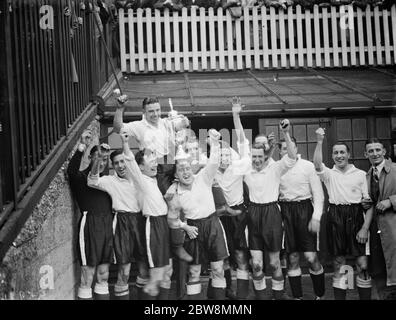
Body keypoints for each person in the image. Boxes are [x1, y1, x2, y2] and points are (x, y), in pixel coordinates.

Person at [165, 129, 230, 300]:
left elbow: (214, 162)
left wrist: (215, 143)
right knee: (194, 272)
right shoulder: (175, 193)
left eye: (187, 168)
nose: (185, 172)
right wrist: (184, 226)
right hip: (193, 229)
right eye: (181, 170)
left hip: (213, 225)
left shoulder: (203, 177)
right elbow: (171, 220)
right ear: (176, 176)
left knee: (217, 269)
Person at [313, 128, 374, 300]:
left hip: (356, 217)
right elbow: (317, 164)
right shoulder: (329, 174)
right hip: (335, 217)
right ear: (332, 156)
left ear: (348, 154)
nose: (339, 156)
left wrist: (364, 228)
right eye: (335, 153)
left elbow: (368, 205)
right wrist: (319, 141)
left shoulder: (361, 175)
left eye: (342, 152)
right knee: (340, 265)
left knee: (362, 265)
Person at [244, 119, 297, 300]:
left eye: (260, 156)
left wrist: (286, 134)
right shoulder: (245, 170)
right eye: (254, 157)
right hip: (253, 214)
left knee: (275, 263)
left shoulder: (275, 168)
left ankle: (278, 295)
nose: (257, 160)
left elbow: (291, 156)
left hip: (272, 214)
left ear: (265, 155)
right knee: (257, 265)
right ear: (250, 157)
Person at [87, 147, 149, 300]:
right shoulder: (110, 181)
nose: (120, 166)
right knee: (125, 271)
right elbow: (91, 181)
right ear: (112, 166)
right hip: (122, 223)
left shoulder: (140, 178)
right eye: (116, 163)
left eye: (122, 161)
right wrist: (99, 157)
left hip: (141, 221)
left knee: (144, 269)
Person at [120, 130, 173, 299]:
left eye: (155, 161)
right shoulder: (141, 180)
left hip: (165, 225)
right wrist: (125, 143)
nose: (154, 164)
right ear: (141, 166)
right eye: (150, 161)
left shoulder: (158, 179)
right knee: (156, 272)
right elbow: (130, 162)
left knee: (167, 271)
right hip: (153, 226)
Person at [211, 97, 251, 300]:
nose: (224, 158)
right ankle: (227, 290)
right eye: (221, 155)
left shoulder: (238, 166)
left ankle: (243, 294)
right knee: (223, 255)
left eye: (228, 155)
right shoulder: (210, 171)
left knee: (241, 254)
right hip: (219, 216)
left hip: (238, 214)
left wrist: (236, 115)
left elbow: (243, 141)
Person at [278, 136, 325, 300]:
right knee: (292, 258)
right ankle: (297, 297)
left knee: (311, 257)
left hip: (305, 210)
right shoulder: (278, 168)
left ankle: (320, 295)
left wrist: (316, 217)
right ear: (280, 151)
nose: (287, 150)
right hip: (285, 210)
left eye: (290, 147)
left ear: (296, 148)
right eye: (284, 148)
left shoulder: (308, 166)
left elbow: (318, 194)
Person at [67, 131, 113, 300]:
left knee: (104, 274)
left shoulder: (108, 181)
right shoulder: (81, 178)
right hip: (90, 225)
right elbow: (71, 171)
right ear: (91, 158)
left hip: (107, 225)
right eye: (98, 157)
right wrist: (82, 147)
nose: (101, 162)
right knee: (88, 274)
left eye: (105, 159)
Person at [363, 138, 396, 300]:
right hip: (377, 229)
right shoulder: (368, 175)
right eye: (371, 151)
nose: (374, 153)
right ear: (366, 154)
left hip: (394, 227)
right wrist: (366, 202)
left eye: (377, 150)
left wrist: (391, 201)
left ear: (384, 151)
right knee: (380, 269)